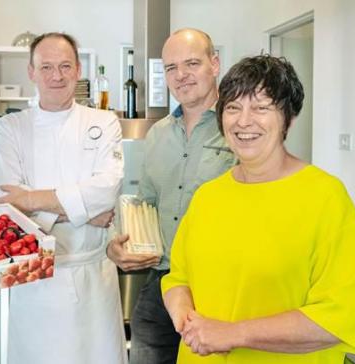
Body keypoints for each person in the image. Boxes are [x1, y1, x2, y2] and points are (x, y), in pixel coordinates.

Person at [162, 55, 355, 363]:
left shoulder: (326, 197)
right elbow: (178, 278)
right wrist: (186, 320)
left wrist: (231, 333)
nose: (244, 121)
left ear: (289, 118)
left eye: (261, 107)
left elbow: (337, 318)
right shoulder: (207, 196)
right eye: (233, 108)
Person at [0, 32, 127, 364]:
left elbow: (107, 191)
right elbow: (11, 209)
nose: (57, 76)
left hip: (94, 276)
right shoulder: (11, 128)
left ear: (78, 70)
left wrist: (34, 199)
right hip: (36, 281)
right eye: (47, 66)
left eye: (65, 66)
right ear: (31, 72)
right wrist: (86, 211)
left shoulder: (104, 121)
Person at [106, 28, 236, 364]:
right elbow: (145, 204)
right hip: (159, 285)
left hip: (220, 285)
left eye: (192, 63)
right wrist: (123, 245)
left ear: (215, 63)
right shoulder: (158, 134)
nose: (181, 76)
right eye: (171, 68)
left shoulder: (238, 128)